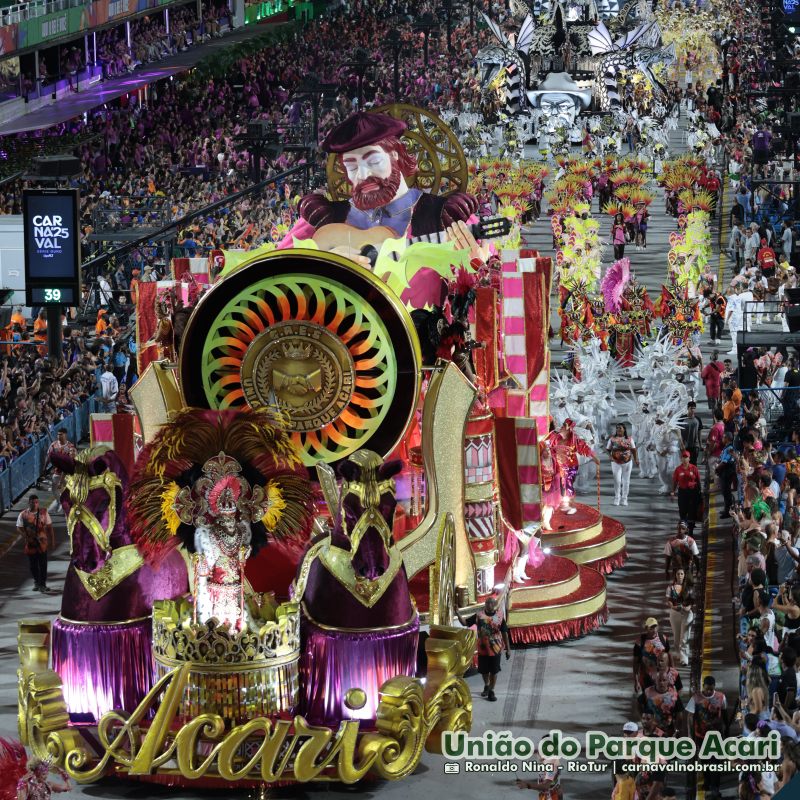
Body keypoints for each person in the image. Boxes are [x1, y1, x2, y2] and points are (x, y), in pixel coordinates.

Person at [457, 595, 511, 702]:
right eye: (487, 603)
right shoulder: (479, 615)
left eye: (491, 603)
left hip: (496, 648)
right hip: (483, 648)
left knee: (494, 671)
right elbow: (464, 623)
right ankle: (487, 685)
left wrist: (508, 649)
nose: (489, 605)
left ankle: (491, 691)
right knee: (484, 670)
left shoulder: (499, 616)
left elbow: (504, 633)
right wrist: (457, 613)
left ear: (494, 605)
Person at [686, 676, 727, 798]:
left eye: (711, 689)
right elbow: (690, 717)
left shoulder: (721, 697)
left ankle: (715, 787)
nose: (709, 691)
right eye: (707, 689)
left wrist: (726, 730)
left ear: (714, 687)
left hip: (716, 736)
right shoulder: (695, 698)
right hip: (701, 736)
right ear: (703, 686)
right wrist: (691, 736)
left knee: (715, 761)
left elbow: (724, 713)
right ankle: (708, 782)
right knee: (704, 761)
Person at [17, 494, 54, 592]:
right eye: (33, 502)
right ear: (29, 502)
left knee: (43, 565)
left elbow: (50, 527)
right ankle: (37, 582)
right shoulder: (23, 514)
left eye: (36, 502)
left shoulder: (44, 513)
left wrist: (52, 540)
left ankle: (43, 584)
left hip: (42, 544)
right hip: (30, 544)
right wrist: (25, 536)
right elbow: (19, 527)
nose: (35, 504)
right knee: (33, 565)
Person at [665, 567, 695, 666]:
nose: (680, 576)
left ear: (684, 575)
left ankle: (684, 658)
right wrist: (672, 606)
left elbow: (692, 601)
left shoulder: (689, 587)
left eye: (682, 574)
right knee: (677, 637)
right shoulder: (671, 587)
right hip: (675, 614)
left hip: (687, 614)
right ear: (675, 575)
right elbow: (668, 600)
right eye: (678, 574)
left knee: (684, 637)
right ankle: (678, 653)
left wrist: (688, 607)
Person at [633, 617, 671, 692]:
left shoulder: (663, 638)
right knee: (648, 699)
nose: (654, 630)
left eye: (655, 627)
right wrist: (636, 681)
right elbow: (635, 663)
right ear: (646, 628)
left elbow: (669, 656)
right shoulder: (640, 642)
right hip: (646, 678)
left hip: (662, 677)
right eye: (651, 628)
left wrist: (672, 672)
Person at [606, 422, 638, 506]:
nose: (618, 429)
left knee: (626, 481)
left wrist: (636, 459)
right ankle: (617, 497)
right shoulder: (612, 439)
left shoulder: (630, 439)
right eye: (617, 428)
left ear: (624, 429)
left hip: (627, 462)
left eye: (620, 428)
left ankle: (624, 499)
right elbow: (608, 449)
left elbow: (634, 450)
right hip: (615, 462)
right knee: (617, 480)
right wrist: (610, 456)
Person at [46, 429, 76, 515]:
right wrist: (44, 468)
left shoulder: (70, 447)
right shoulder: (54, 445)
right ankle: (59, 502)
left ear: (65, 435)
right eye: (58, 434)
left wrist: (62, 481)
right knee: (54, 489)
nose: (59, 436)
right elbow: (48, 456)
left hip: (68, 473)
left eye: (61, 434)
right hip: (57, 472)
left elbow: (68, 465)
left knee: (66, 491)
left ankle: (67, 507)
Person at [671, 450, 702, 524]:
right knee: (682, 510)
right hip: (682, 492)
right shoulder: (678, 469)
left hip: (692, 492)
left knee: (692, 510)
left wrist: (700, 492)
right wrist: (672, 491)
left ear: (689, 459)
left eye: (686, 457)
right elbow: (675, 481)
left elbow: (698, 480)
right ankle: (683, 528)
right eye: (683, 457)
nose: (684, 459)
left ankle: (691, 529)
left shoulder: (694, 468)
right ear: (681, 459)